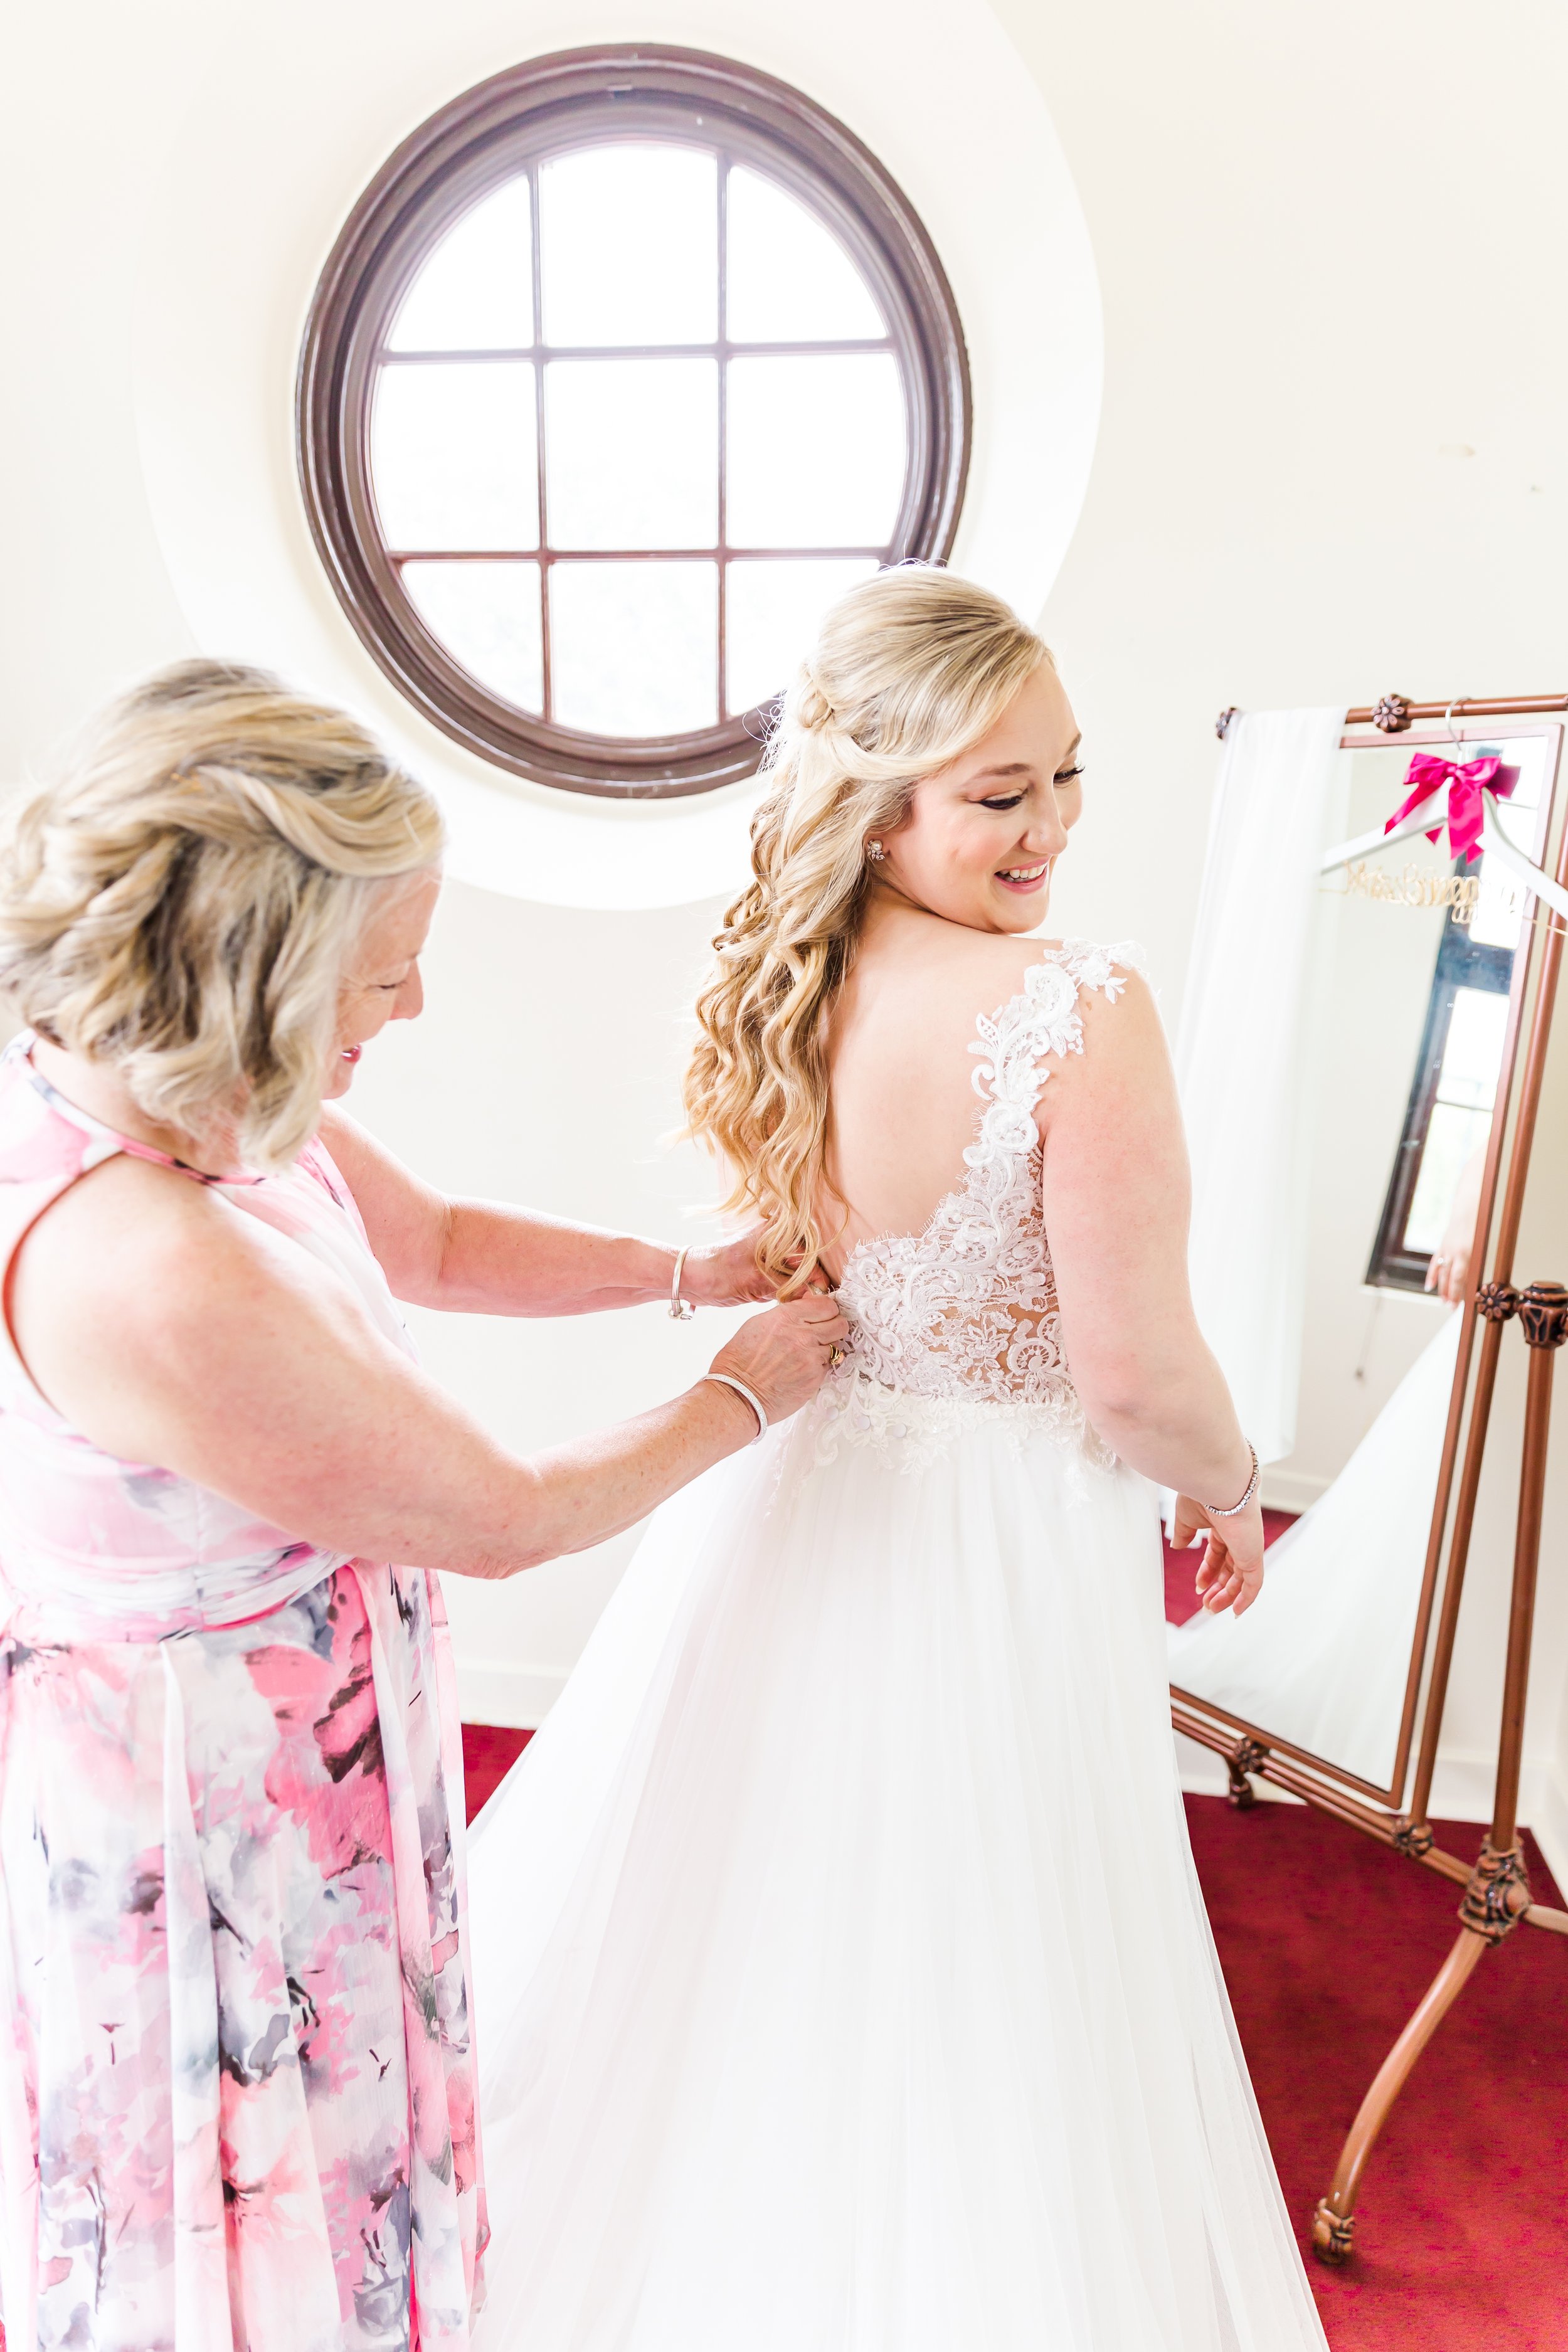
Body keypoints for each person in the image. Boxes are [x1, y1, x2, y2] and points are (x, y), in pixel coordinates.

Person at [465, 567, 1328, 2348]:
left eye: (1068, 775)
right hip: (1001, 1533)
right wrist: (1235, 1484)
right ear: (876, 805)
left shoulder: (799, 983)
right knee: (982, 1937)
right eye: (1000, 794)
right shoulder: (1077, 1005)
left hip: (801, 1494)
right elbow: (1134, 1374)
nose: (1053, 828)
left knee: (760, 1905)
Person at [0, 660, 845, 2352]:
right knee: (253, 2207)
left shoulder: (181, 1090)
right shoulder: (151, 1269)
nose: (415, 1005)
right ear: (252, 969)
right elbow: (501, 1515)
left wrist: (687, 1270)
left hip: (293, 1742)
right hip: (217, 1816)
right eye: (384, 972)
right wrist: (746, 1391)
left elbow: (434, 1241)